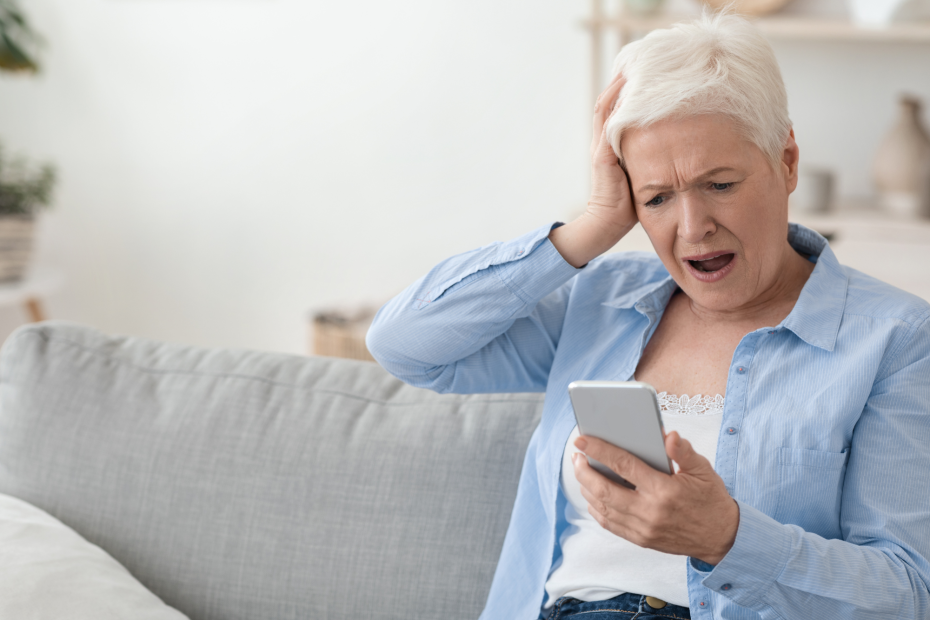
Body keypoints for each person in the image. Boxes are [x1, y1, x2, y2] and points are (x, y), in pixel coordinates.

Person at [365, 11, 930, 620]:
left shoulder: (894, 337)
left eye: (720, 184)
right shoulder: (600, 301)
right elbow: (405, 344)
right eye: (656, 197)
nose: (692, 228)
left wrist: (727, 537)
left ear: (786, 161)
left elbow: (906, 593)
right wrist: (592, 226)